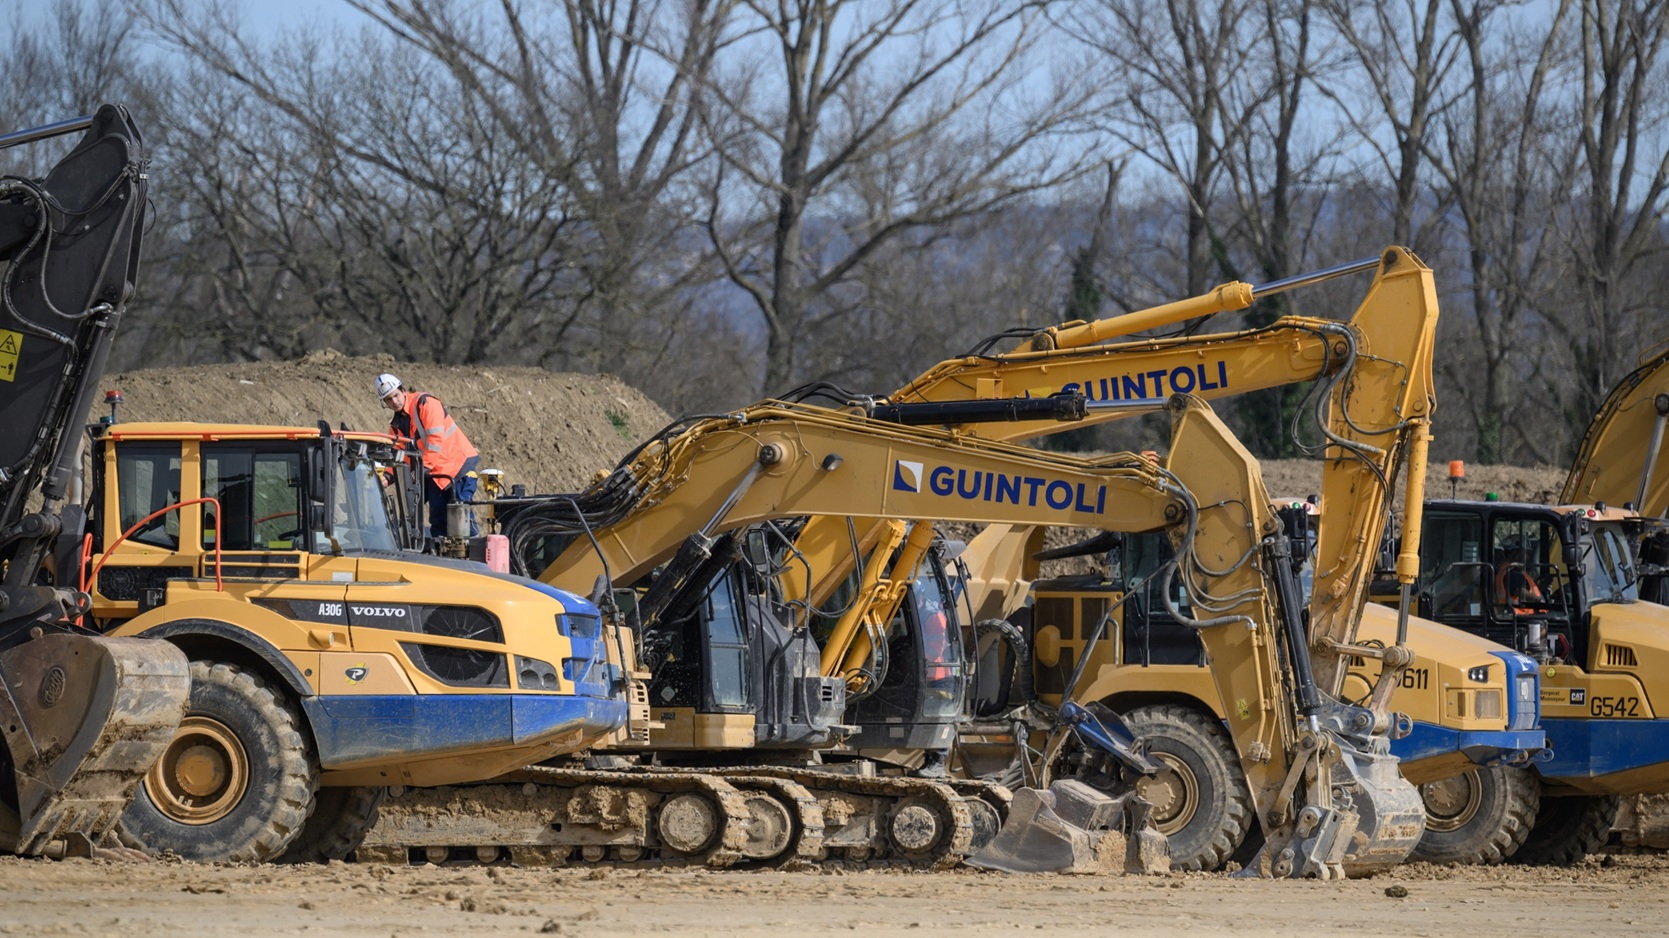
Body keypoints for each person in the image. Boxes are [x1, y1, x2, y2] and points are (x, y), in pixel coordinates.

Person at [376, 372, 479, 537]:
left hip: (457, 468)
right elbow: (402, 456)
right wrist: (387, 477)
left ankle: (472, 558)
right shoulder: (396, 426)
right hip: (435, 474)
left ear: (403, 390)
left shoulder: (425, 403)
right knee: (438, 523)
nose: (394, 401)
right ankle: (442, 559)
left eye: (395, 395)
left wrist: (421, 470)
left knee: (461, 522)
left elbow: (435, 440)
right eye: (388, 399)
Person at [1494, 542, 1545, 616]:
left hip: (1516, 616)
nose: (1527, 557)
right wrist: (1538, 601)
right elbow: (1519, 590)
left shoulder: (1504, 569)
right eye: (1525, 553)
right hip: (1522, 616)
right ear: (1515, 552)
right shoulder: (1513, 572)